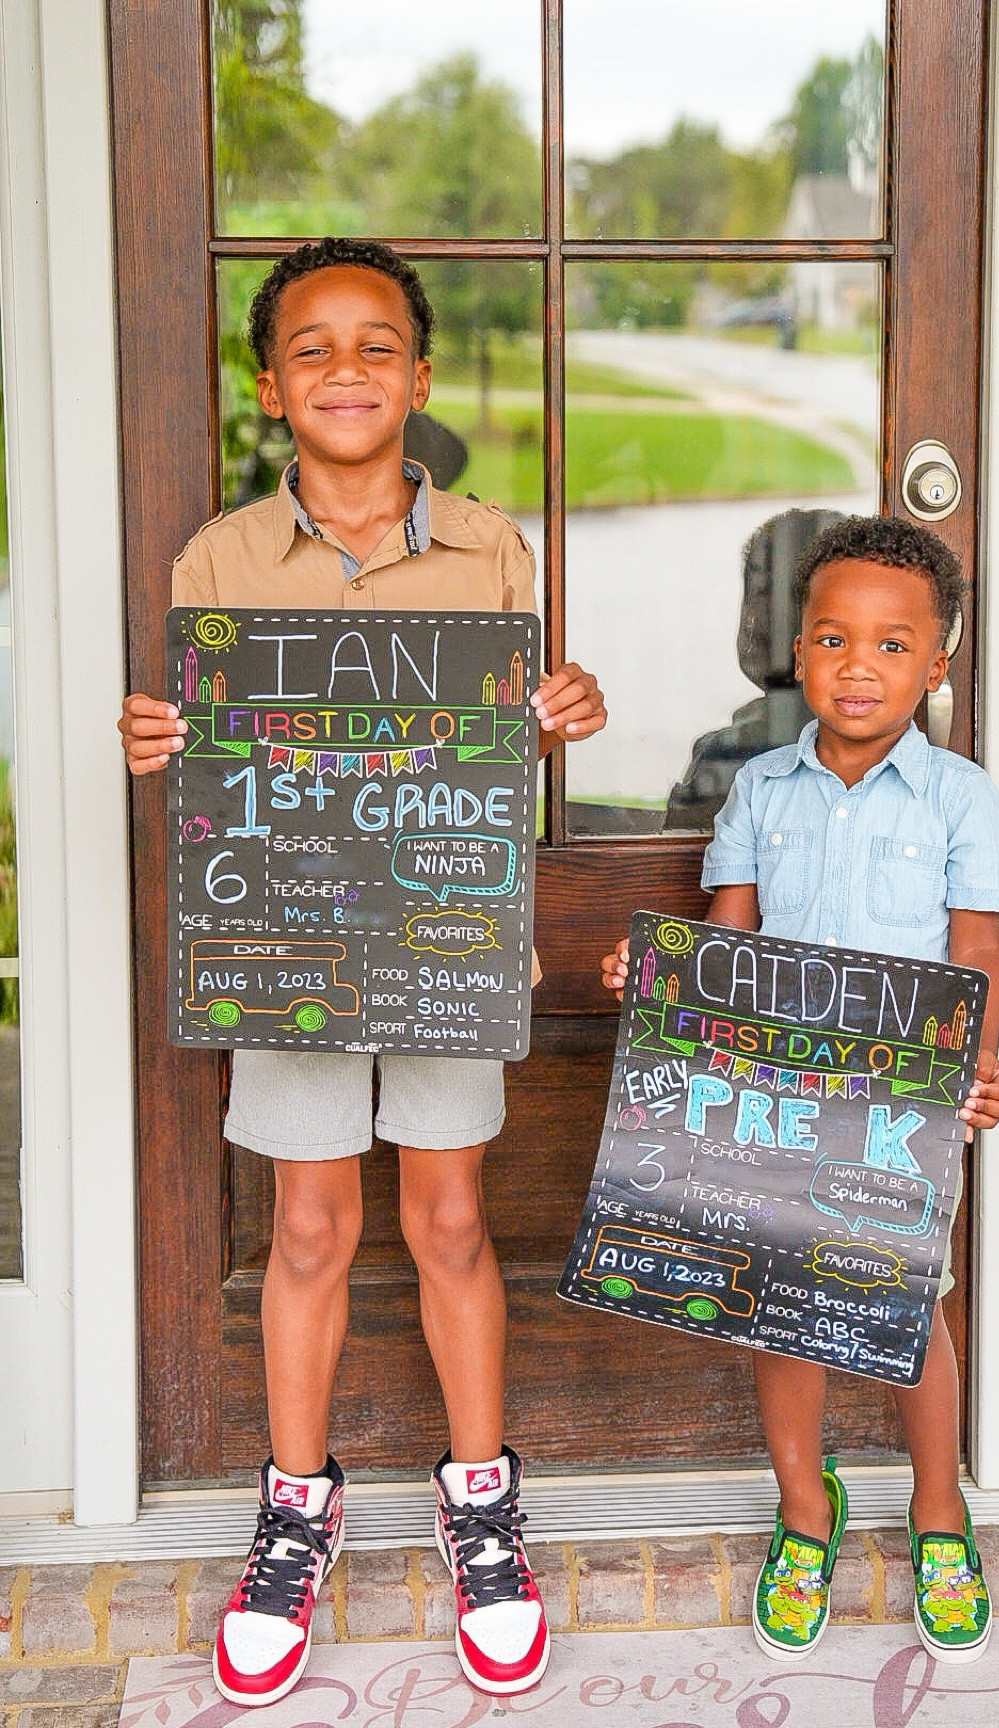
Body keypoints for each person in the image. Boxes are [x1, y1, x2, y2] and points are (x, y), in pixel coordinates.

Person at [119, 237, 606, 1707]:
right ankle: (295, 1505)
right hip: (291, 941)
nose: (346, 369)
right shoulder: (221, 558)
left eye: (376, 345)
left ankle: (480, 1502)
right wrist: (169, 746)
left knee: (452, 1218)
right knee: (311, 1227)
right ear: (271, 388)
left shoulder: (491, 549)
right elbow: (229, 767)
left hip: (443, 935)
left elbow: (494, 735)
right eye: (314, 349)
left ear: (421, 375)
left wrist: (556, 710)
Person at [602, 514, 999, 1667]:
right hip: (771, 1099)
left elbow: (977, 953)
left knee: (906, 1308)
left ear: (938, 664)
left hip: (900, 1108)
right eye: (834, 639)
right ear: (799, 648)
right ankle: (804, 1508)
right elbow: (725, 945)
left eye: (894, 645)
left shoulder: (958, 800)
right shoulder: (756, 794)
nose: (858, 666)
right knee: (778, 1301)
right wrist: (661, 980)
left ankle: (939, 1514)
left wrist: (978, 1061)